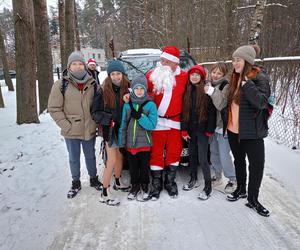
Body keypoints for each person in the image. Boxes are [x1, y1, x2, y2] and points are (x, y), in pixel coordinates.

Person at [222, 44, 271, 217]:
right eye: (233, 60)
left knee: (256, 166)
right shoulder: (233, 78)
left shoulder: (260, 78)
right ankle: (241, 189)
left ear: (248, 61)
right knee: (239, 161)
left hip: (252, 131)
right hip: (233, 129)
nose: (235, 63)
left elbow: (262, 103)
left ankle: (253, 199)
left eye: (238, 60)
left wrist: (247, 84)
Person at [48, 51, 102, 199]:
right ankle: (76, 182)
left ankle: (93, 178)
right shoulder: (60, 85)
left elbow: (98, 105)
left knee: (90, 156)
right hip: (71, 130)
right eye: (74, 64)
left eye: (80, 64)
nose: (78, 67)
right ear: (69, 66)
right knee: (74, 157)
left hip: (89, 128)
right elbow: (53, 108)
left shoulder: (92, 83)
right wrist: (66, 126)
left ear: (84, 65)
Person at [146, 45, 188, 200]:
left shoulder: (184, 77)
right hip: (156, 122)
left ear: (174, 63)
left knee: (174, 152)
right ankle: (156, 183)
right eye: (161, 60)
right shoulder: (151, 75)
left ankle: (170, 182)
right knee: (156, 152)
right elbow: (141, 93)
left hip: (175, 122)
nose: (161, 63)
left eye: (165, 61)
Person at [91, 60, 130, 206]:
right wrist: (109, 118)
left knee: (120, 157)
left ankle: (118, 181)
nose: (115, 77)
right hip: (110, 130)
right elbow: (95, 113)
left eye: (118, 73)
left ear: (122, 74)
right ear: (109, 75)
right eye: (112, 74)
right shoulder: (102, 91)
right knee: (111, 160)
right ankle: (104, 191)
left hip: (123, 129)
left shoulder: (128, 88)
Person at [119, 74, 157, 201]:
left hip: (145, 143)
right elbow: (123, 125)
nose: (139, 91)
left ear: (145, 90)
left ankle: (145, 185)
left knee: (144, 167)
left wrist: (140, 116)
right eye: (136, 88)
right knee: (133, 167)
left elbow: (152, 125)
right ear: (132, 90)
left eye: (142, 88)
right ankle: (134, 186)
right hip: (131, 144)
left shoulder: (150, 105)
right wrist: (121, 142)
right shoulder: (127, 105)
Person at [181, 65, 216, 200]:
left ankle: (208, 187)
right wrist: (183, 130)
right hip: (190, 130)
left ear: (201, 77)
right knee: (192, 156)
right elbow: (184, 112)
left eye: (197, 75)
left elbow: (212, 113)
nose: (194, 77)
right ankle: (193, 178)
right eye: (192, 75)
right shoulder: (187, 91)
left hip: (202, 131)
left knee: (203, 158)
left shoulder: (206, 91)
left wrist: (209, 130)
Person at [204, 63, 237, 194]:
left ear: (223, 75)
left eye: (219, 73)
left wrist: (212, 91)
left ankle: (232, 179)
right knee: (214, 153)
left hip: (223, 126)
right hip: (212, 126)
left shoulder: (226, 86)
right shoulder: (208, 84)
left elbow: (221, 104)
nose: (215, 75)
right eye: (214, 72)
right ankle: (218, 176)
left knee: (224, 155)